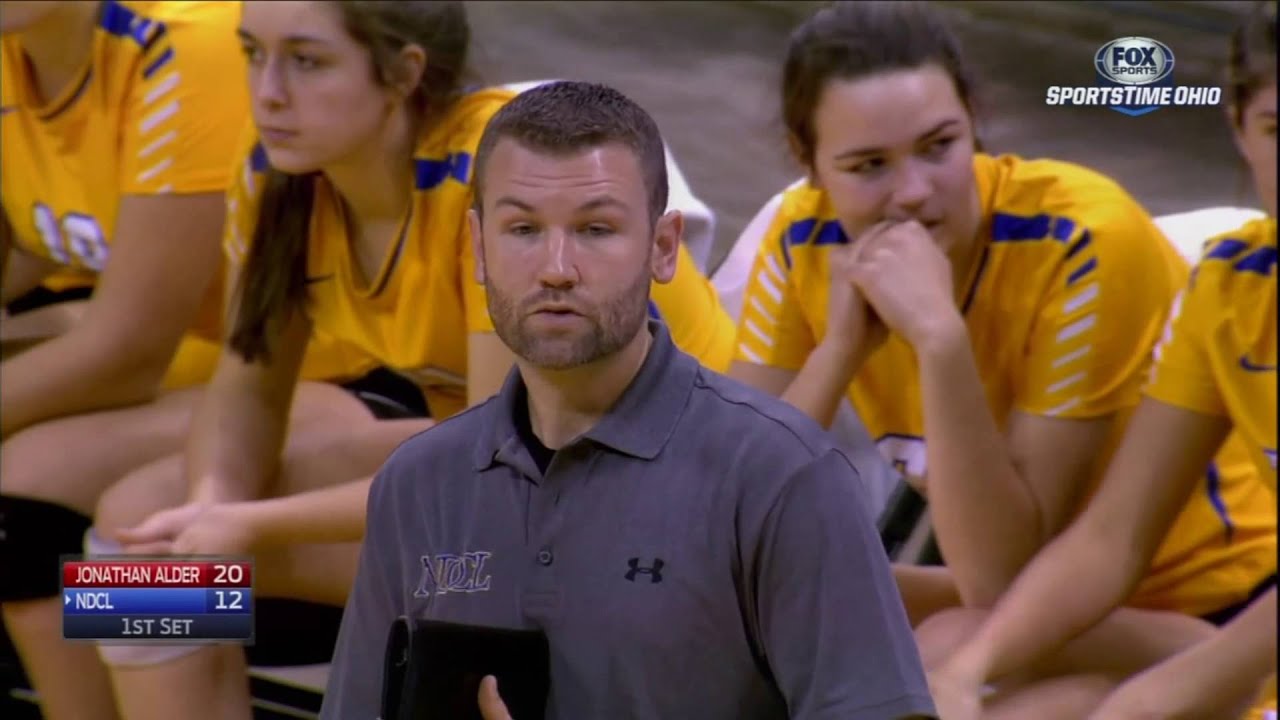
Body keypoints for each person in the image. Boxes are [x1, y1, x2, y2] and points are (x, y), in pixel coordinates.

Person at [78, 4, 737, 719]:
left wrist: (251, 527)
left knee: (159, 570)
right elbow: (248, 389)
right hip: (514, 489)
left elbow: (495, 468)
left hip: (656, 509)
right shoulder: (280, 170)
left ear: (403, 72)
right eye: (251, 54)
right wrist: (213, 499)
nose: (266, 91)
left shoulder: (488, 174)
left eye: (306, 61)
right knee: (138, 536)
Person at [320, 78, 934, 720]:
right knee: (205, 607)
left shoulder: (783, 475)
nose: (557, 267)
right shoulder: (416, 484)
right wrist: (220, 536)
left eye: (596, 229)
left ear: (664, 248)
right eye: (523, 229)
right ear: (477, 248)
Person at [727, 1, 1275, 713]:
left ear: (975, 122)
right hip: (1038, 605)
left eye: (939, 146)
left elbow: (999, 574)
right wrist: (837, 351)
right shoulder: (802, 241)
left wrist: (940, 344)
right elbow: (726, 522)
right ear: (809, 166)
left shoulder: (1078, 240)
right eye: (868, 166)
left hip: (1206, 609)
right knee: (789, 614)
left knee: (936, 660)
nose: (916, 193)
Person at [927, 3, 1277, 718]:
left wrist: (1140, 705)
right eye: (1279, 129)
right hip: (1222, 631)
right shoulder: (1233, 283)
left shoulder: (1077, 239)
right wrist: (967, 674)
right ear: (1240, 129)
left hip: (1239, 615)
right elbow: (1113, 537)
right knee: (945, 651)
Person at [0, 2, 251, 717]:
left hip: (357, 385)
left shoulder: (184, 42)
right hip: (235, 372)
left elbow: (127, 351)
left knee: (54, 509)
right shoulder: (19, 46)